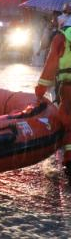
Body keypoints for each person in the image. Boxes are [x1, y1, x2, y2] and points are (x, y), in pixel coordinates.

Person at [35, 15, 71, 175]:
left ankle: (69, 158)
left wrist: (40, 89)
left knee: (66, 117)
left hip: (68, 86)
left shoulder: (61, 37)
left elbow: (51, 65)